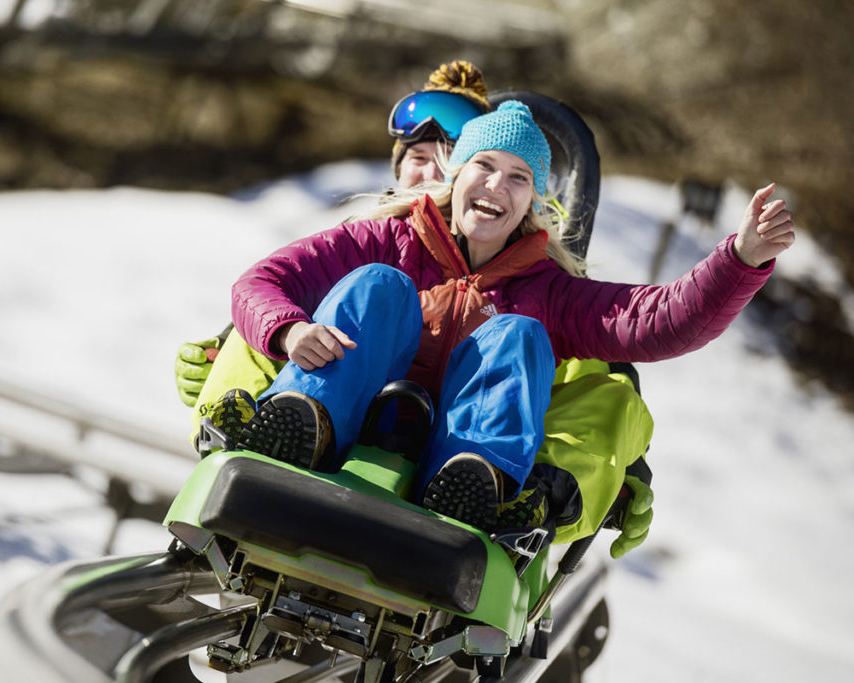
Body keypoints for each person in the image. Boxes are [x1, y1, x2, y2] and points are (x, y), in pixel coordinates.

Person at [221, 100, 794, 535]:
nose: (497, 185)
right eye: (485, 166)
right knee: (379, 285)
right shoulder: (386, 240)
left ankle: (475, 480)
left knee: (519, 335)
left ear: (534, 200)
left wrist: (741, 258)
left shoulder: (548, 290)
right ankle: (301, 423)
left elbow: (659, 320)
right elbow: (262, 282)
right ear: (457, 174)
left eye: (519, 177)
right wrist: (289, 328)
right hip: (345, 429)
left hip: (444, 465)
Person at [174, 61, 491, 411]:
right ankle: (237, 422)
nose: (431, 172)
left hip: (431, 428)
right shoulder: (369, 237)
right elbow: (268, 284)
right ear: (399, 168)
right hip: (336, 410)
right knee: (253, 335)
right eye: (418, 157)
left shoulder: (497, 257)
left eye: (447, 162)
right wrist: (224, 353)